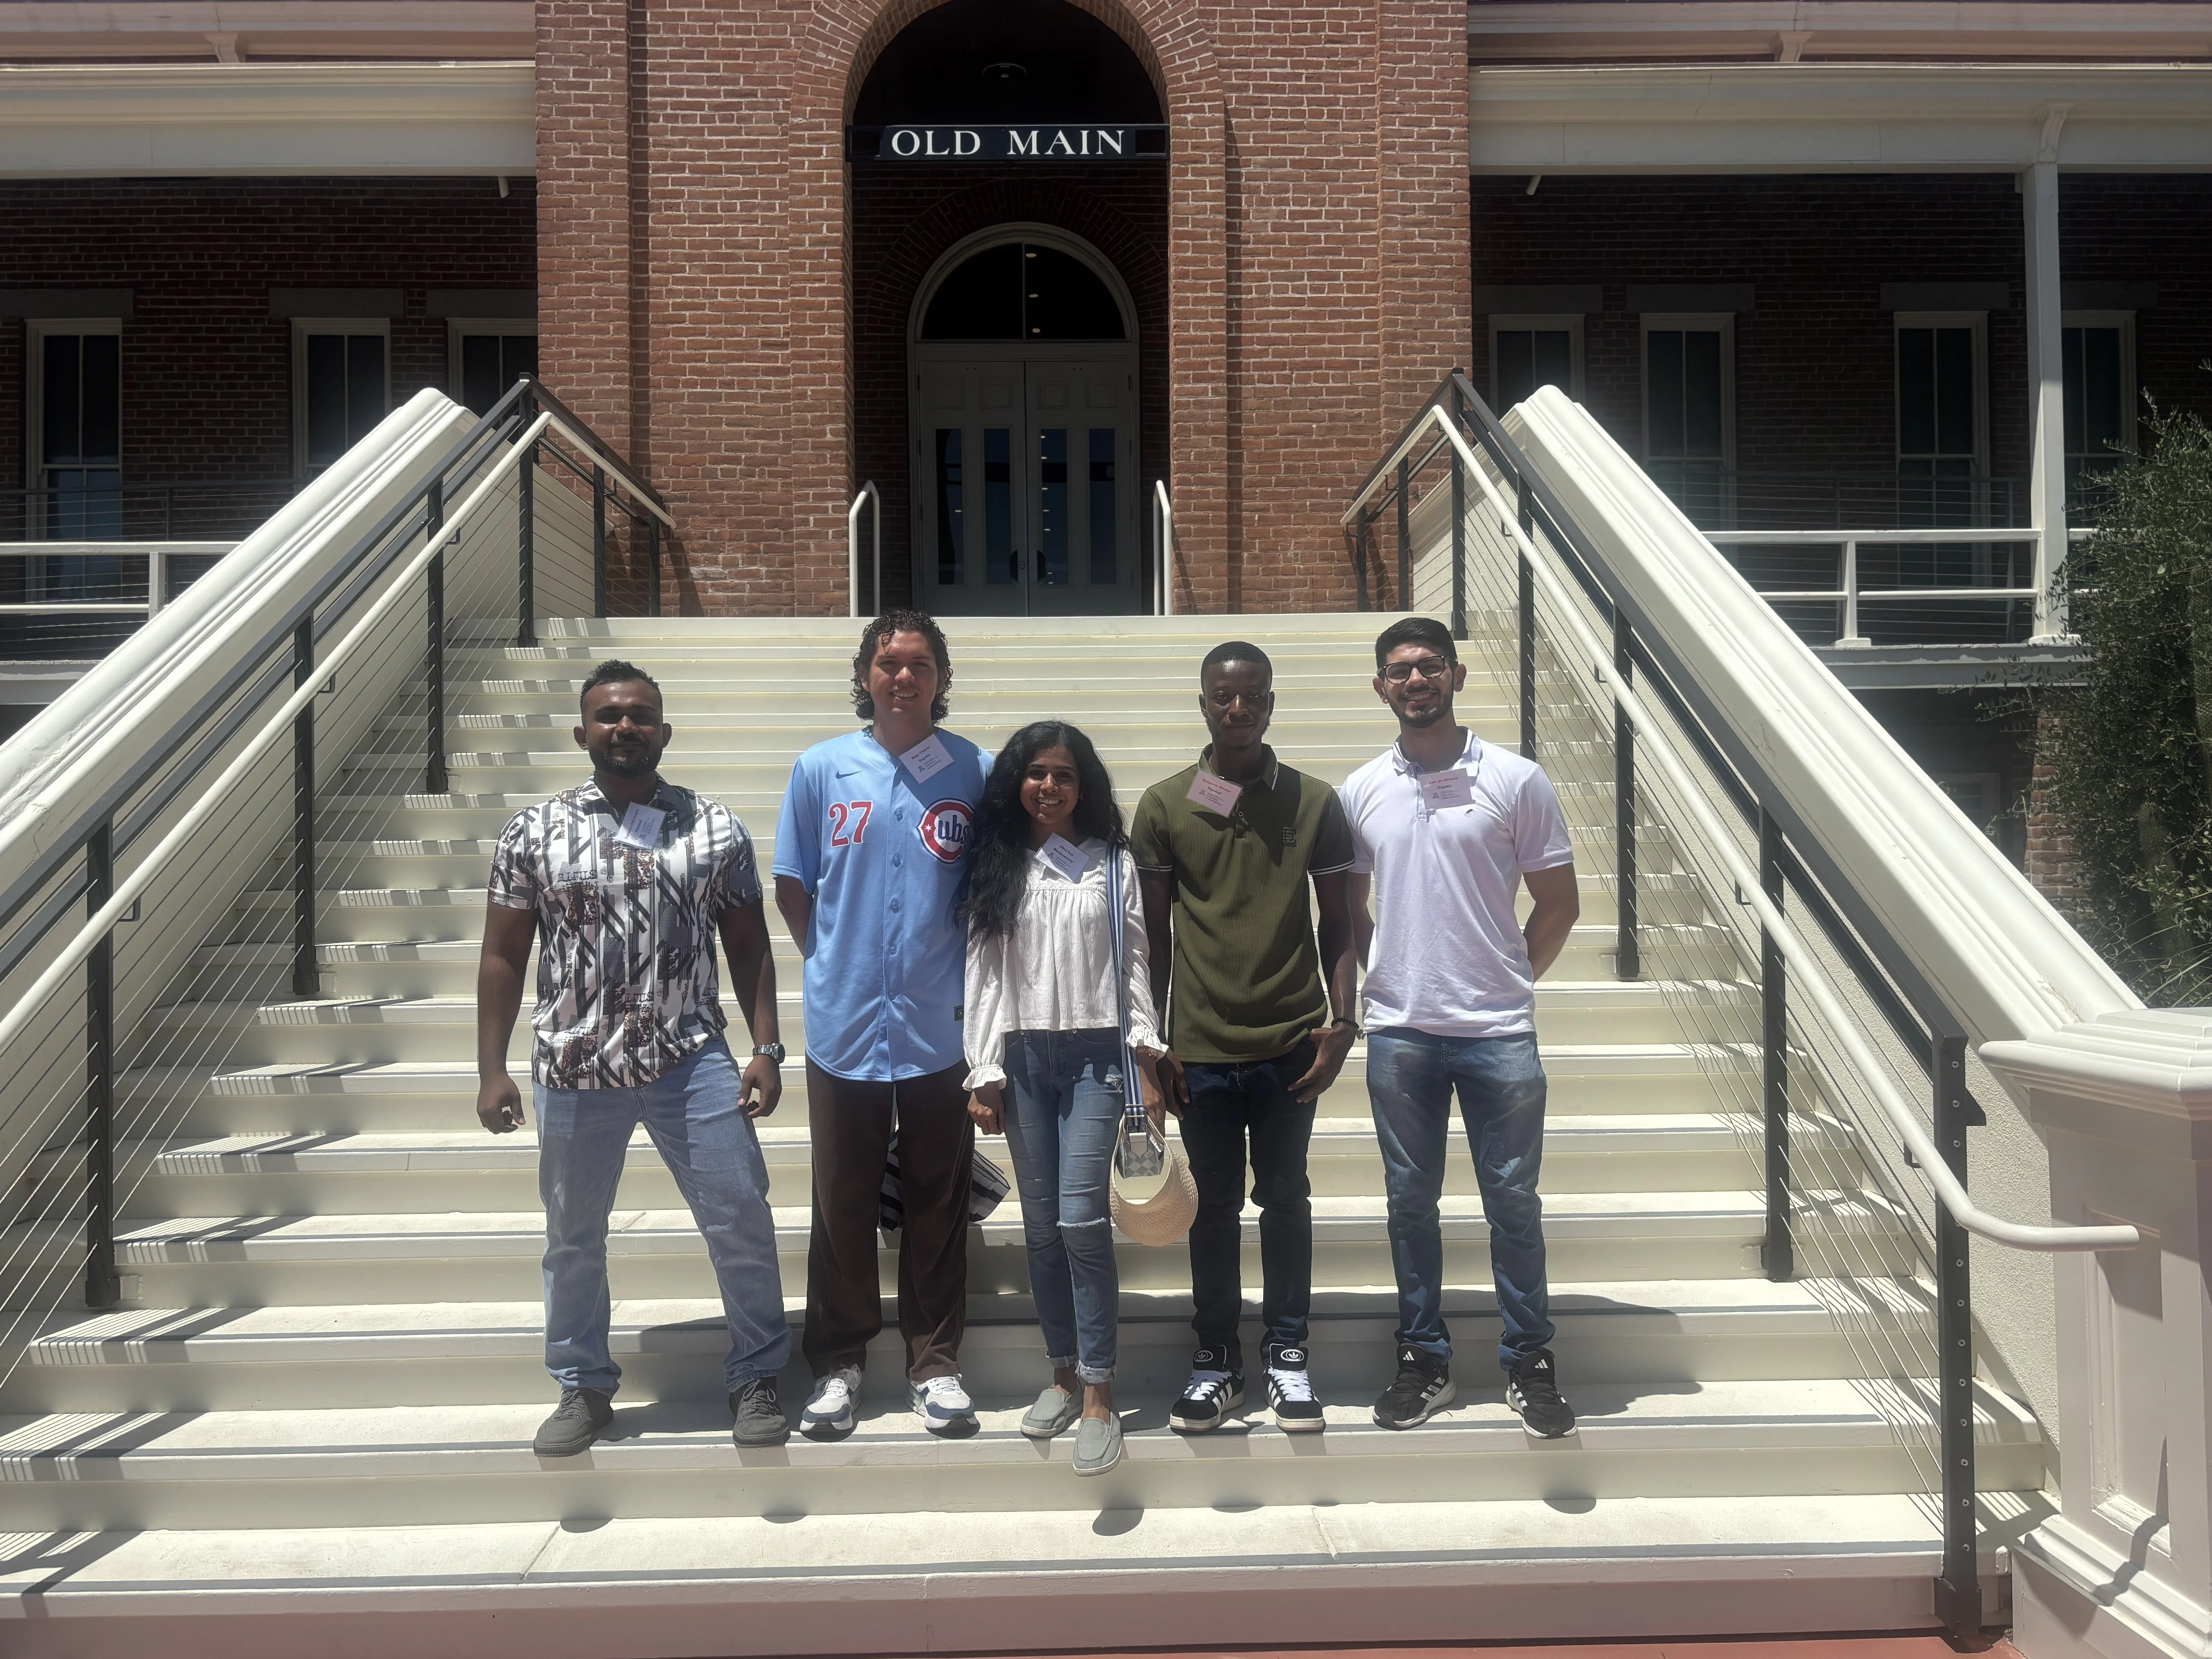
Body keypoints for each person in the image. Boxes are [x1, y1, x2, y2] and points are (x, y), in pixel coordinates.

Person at [476, 659, 792, 1457]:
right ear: (583, 732)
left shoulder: (712, 827)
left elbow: (749, 945)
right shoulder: (532, 830)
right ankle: (582, 1386)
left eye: (642, 715)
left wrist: (766, 1048)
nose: (626, 726)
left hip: (692, 1057)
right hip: (576, 1068)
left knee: (742, 1216)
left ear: (664, 730)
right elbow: (504, 956)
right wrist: (491, 1067)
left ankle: (756, 1373)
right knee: (574, 1235)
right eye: (610, 716)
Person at [1340, 616, 1581, 1438]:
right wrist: (1386, 976)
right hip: (1402, 1032)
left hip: (1497, 1033)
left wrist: (1508, 980)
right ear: (1381, 687)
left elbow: (1559, 903)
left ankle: (1530, 1359)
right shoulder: (1362, 788)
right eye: (1400, 671)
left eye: (1430, 667)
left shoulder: (1517, 780)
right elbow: (1350, 909)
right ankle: (1423, 1357)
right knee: (1410, 1203)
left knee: (1512, 1202)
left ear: (1457, 675)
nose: (1416, 681)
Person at [1132, 641, 1360, 1434]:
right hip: (1199, 1046)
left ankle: (1288, 1354)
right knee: (1215, 1205)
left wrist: (1343, 1020)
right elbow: (1152, 940)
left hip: (1292, 1040)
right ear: (1203, 703)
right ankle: (1217, 1358)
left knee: (1286, 1198)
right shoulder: (1165, 806)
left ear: (1271, 702)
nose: (1239, 708)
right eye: (1224, 696)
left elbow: (1341, 922)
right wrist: (1151, 1043)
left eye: (1253, 695)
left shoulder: (1313, 801)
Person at [775, 610, 991, 1438]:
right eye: (889, 663)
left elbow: (992, 886)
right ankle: (837, 1365)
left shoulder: (976, 769)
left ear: (941, 677)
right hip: (845, 1022)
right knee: (843, 1198)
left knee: (938, 1197)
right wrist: (834, 960)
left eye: (921, 664)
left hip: (943, 1023)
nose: (904, 677)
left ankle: (935, 1364)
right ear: (864, 675)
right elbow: (795, 886)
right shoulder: (822, 770)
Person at [961, 721, 1166, 1477]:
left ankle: (1099, 1393)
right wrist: (982, 1068)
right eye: (1036, 773)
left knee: (1081, 1218)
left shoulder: (1114, 865)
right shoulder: (1000, 865)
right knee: (1042, 1228)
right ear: (1017, 781)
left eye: (1065, 776)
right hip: (1022, 1059)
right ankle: (1059, 1370)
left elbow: (1136, 960)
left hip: (1094, 1059)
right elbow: (982, 975)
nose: (1049, 787)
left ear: (1086, 787)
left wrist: (1146, 1052)